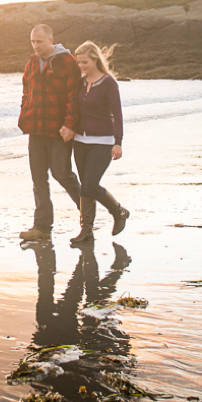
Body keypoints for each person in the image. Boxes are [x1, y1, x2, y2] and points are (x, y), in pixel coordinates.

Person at [17, 24, 81, 242]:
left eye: (40, 42)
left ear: (51, 39)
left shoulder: (67, 62)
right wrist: (24, 115)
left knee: (62, 174)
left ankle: (87, 213)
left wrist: (70, 125)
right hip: (35, 128)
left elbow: (74, 95)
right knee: (38, 179)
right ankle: (42, 227)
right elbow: (26, 93)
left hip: (59, 130)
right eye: (33, 42)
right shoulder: (32, 63)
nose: (36, 46)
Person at [69, 41, 129, 245]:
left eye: (85, 62)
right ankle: (86, 230)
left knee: (89, 185)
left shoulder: (109, 83)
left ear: (95, 59)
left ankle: (118, 211)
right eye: (79, 63)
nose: (81, 66)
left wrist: (118, 142)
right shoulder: (80, 82)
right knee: (85, 188)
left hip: (103, 142)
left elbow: (117, 115)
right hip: (80, 141)